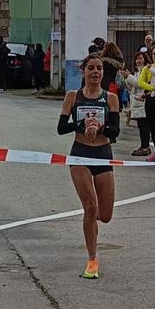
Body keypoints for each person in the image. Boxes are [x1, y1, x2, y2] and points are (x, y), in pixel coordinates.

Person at [57, 53, 120, 279]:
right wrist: (82, 124)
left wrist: (100, 128)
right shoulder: (72, 96)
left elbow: (115, 132)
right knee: (90, 208)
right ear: (83, 71)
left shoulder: (110, 98)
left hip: (102, 154)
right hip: (80, 155)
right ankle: (92, 259)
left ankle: (93, 228)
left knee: (105, 215)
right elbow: (61, 128)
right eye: (91, 68)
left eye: (99, 68)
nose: (95, 72)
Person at [124, 51, 151, 156]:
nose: (138, 61)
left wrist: (129, 76)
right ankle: (143, 145)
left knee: (144, 126)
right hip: (136, 101)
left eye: (140, 58)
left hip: (142, 102)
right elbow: (131, 86)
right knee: (141, 126)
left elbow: (139, 84)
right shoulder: (137, 72)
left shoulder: (146, 70)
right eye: (136, 59)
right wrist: (127, 78)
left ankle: (145, 146)